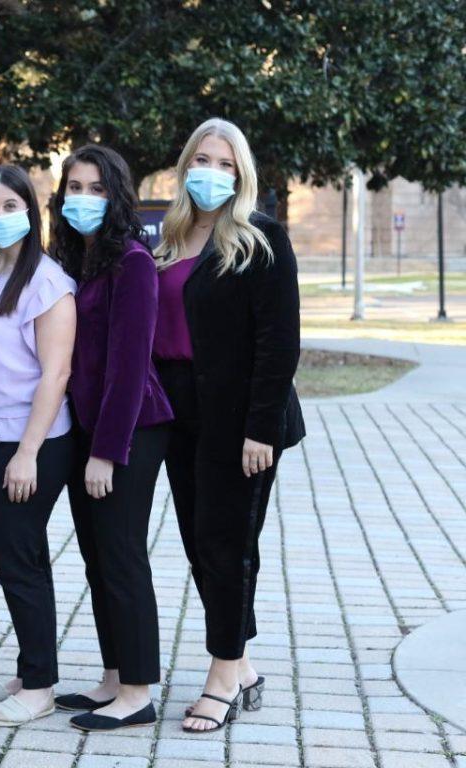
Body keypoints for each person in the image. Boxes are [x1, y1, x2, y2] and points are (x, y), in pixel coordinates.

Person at [153, 118, 305, 733]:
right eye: (202, 160)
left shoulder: (261, 239)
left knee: (228, 544)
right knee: (200, 544)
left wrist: (259, 430)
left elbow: (279, 344)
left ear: (241, 175)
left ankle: (222, 675)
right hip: (178, 412)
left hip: (241, 418)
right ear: (186, 165)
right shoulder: (171, 235)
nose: (211, 173)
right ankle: (242, 663)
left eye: (225, 164)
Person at [51, 144, 173, 732]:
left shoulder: (132, 262)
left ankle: (138, 690)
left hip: (128, 430)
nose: (82, 199)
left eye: (95, 189)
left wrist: (106, 451)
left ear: (117, 196)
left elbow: (129, 366)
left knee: (122, 555)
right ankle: (112, 675)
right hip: (83, 429)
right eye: (74, 188)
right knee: (97, 557)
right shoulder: (73, 260)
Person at [0, 165, 77, 727]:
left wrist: (27, 453)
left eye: (11, 206)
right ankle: (30, 670)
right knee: (9, 558)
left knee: (21, 559)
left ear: (30, 212)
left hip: (34, 443)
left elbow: (55, 375)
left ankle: (41, 686)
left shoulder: (48, 283)